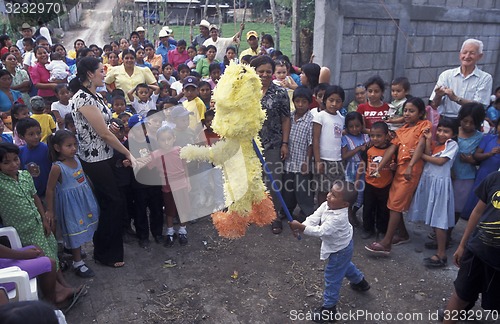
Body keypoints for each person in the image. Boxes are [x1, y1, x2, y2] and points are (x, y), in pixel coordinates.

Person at [69, 56, 134, 268]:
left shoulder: (95, 96)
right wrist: (128, 153)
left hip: (105, 155)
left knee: (112, 201)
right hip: (94, 158)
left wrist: (113, 126)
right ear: (90, 74)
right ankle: (105, 253)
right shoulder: (82, 99)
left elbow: (104, 127)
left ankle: (106, 249)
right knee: (112, 202)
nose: (103, 73)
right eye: (100, 70)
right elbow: (103, 135)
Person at [0, 142, 83, 304]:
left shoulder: (24, 175)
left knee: (52, 247)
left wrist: (45, 218)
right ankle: (58, 289)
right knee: (45, 255)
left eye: (16, 159)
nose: (13, 165)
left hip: (38, 222)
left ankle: (62, 285)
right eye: (6, 162)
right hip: (23, 230)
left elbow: (35, 197)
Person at [289, 180, 370, 322]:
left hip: (340, 249)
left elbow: (321, 231)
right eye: (330, 191)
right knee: (345, 266)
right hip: (342, 246)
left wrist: (302, 228)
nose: (328, 195)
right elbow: (314, 218)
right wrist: (302, 225)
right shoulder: (327, 205)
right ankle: (360, 282)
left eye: (333, 195)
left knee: (332, 277)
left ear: (345, 204)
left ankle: (329, 310)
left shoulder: (339, 218)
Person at [365, 97, 432, 255]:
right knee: (392, 203)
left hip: (411, 169)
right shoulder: (402, 130)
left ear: (421, 113)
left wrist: (409, 166)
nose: (407, 114)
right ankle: (402, 234)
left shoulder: (424, 125)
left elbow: (421, 146)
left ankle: (386, 243)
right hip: (400, 169)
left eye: (411, 111)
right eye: (406, 111)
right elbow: (390, 150)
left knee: (395, 205)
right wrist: (378, 169)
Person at [441, 171, 500, 324]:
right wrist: (462, 245)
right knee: (461, 294)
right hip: (477, 251)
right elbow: (478, 211)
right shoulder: (494, 178)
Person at [45, 130, 99, 278]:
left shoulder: (77, 159)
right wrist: (50, 210)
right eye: (69, 145)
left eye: (75, 144)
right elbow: (49, 189)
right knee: (74, 229)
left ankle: (78, 252)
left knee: (84, 226)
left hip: (84, 201)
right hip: (70, 206)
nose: (74, 148)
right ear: (57, 148)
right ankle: (78, 262)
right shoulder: (57, 167)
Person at [408, 118, 458, 268]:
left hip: (440, 185)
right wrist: (429, 140)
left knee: (439, 219)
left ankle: (442, 254)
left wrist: (419, 155)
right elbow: (431, 155)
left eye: (446, 131)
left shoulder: (452, 145)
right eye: (440, 130)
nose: (442, 134)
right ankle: (438, 244)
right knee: (434, 217)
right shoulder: (438, 145)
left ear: (453, 134)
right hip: (430, 182)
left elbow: (440, 161)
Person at [250, 55, 291, 234]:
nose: (265, 75)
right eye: (261, 71)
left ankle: (275, 216)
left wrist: (284, 143)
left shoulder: (280, 92)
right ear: (254, 72)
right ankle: (256, 213)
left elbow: (285, 119)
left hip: (273, 143)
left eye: (268, 71)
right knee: (253, 180)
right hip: (251, 144)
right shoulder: (246, 91)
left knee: (274, 182)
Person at [429, 39, 493, 121]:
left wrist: (456, 98)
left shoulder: (485, 78)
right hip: (446, 121)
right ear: (460, 55)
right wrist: (438, 95)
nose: (467, 56)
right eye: (464, 52)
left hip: (470, 123)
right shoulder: (446, 75)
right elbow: (434, 105)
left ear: (479, 56)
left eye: (472, 53)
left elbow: (479, 106)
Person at [148, 125, 190, 247]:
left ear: (174, 138)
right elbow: (146, 164)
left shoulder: (180, 151)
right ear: (158, 140)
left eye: (169, 139)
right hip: (168, 188)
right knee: (169, 210)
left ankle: (183, 231)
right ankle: (170, 232)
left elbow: (185, 166)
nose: (166, 142)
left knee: (183, 209)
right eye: (162, 140)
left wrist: (188, 181)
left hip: (181, 185)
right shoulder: (156, 154)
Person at [281, 87, 314, 222]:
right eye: (297, 101)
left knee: (303, 190)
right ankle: (286, 211)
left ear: (309, 103)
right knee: (288, 189)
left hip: (302, 162)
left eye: (304, 102)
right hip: (289, 161)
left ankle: (307, 213)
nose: (300, 105)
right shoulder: (289, 116)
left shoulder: (311, 120)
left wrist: (307, 162)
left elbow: (311, 144)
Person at [357, 121, 394, 239]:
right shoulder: (368, 149)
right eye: (372, 135)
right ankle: (368, 229)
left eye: (379, 136)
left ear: (386, 135)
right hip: (370, 184)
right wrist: (358, 179)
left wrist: (395, 167)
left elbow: (396, 165)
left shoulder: (392, 150)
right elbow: (362, 165)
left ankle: (382, 230)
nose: (375, 138)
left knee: (383, 209)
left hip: (385, 185)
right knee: (368, 208)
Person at [313, 85, 345, 206]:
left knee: (335, 189)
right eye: (331, 100)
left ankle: (332, 213)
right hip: (323, 160)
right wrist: (317, 161)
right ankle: (321, 214)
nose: (334, 104)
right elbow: (315, 139)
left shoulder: (341, 118)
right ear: (325, 100)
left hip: (337, 160)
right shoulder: (320, 116)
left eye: (338, 101)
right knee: (322, 190)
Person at [461, 119, 500, 219]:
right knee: (474, 201)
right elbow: (477, 155)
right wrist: (490, 154)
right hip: (482, 174)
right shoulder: (489, 138)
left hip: (496, 181)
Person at [341, 111, 370, 227]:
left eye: (357, 126)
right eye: (351, 126)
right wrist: (358, 148)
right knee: (351, 194)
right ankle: (349, 214)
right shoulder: (345, 138)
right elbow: (344, 156)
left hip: (366, 169)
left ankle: (354, 212)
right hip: (351, 170)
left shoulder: (366, 136)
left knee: (362, 195)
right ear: (346, 127)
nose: (354, 129)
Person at [17, 118, 52, 198]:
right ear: (21, 136)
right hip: (32, 194)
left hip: (49, 192)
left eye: (38, 133)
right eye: (31, 134)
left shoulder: (47, 149)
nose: (36, 137)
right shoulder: (20, 152)